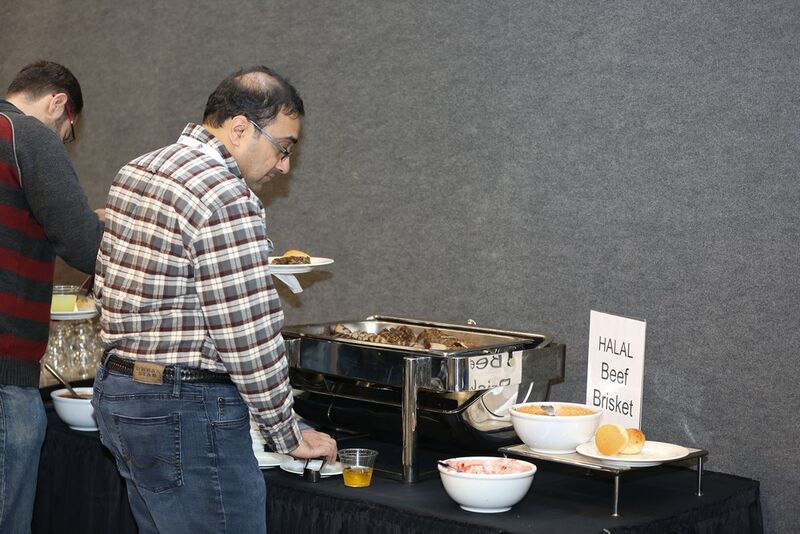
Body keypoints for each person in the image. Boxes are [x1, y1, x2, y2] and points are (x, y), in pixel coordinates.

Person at [92, 66, 337, 533]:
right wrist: (286, 431)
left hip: (121, 391)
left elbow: (104, 282)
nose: (284, 165)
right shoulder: (225, 194)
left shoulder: (136, 170)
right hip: (185, 406)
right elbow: (247, 333)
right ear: (240, 128)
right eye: (283, 147)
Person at [0, 60, 104, 533]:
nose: (62, 141)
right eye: (68, 134)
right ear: (59, 103)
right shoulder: (28, 135)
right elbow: (83, 245)